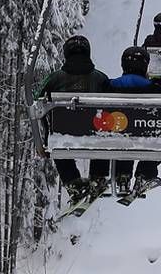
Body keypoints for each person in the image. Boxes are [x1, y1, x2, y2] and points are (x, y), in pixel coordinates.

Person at [35, 34, 111, 201]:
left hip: (63, 136)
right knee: (105, 135)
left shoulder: (55, 78)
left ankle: (73, 181)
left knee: (57, 138)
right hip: (95, 135)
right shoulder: (100, 78)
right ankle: (98, 176)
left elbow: (37, 99)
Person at [106, 47, 161, 198]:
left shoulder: (109, 86)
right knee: (158, 139)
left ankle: (123, 175)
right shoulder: (154, 88)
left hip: (118, 134)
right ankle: (145, 173)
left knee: (123, 134)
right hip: (146, 133)